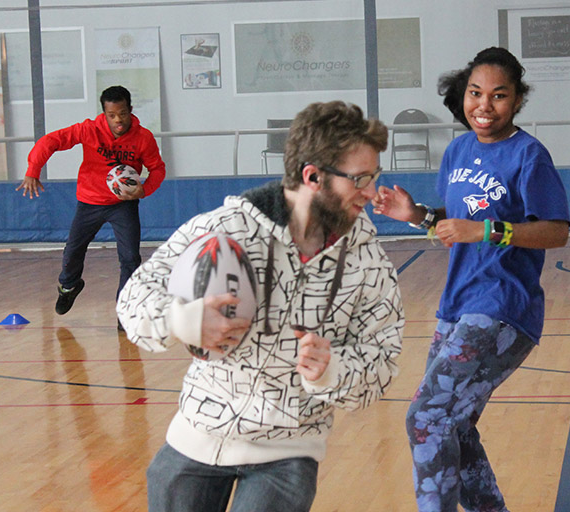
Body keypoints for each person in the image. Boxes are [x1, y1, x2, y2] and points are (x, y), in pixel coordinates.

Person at [116, 100, 404, 512]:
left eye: (374, 177)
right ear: (312, 176)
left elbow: (382, 359)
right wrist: (183, 320)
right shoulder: (225, 228)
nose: (372, 192)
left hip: (288, 451)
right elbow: (134, 297)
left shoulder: (367, 262)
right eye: (359, 179)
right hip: (198, 437)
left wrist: (332, 370)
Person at [372, 47, 570, 512]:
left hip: (503, 305)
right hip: (457, 304)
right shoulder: (459, 150)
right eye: (475, 93)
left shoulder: (529, 156)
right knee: (453, 425)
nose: (484, 105)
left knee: (425, 416)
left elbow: (556, 231)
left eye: (499, 95)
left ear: (517, 100)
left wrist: (488, 231)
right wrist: (416, 215)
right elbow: (456, 221)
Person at [16, 85, 166, 328]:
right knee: (73, 250)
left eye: (123, 114)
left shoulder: (143, 138)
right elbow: (50, 141)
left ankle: (125, 311)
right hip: (90, 202)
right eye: (112, 115)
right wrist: (33, 169)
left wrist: (145, 189)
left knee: (130, 258)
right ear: (104, 113)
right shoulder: (89, 130)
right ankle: (69, 285)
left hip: (123, 204)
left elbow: (157, 168)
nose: (118, 120)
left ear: (130, 110)